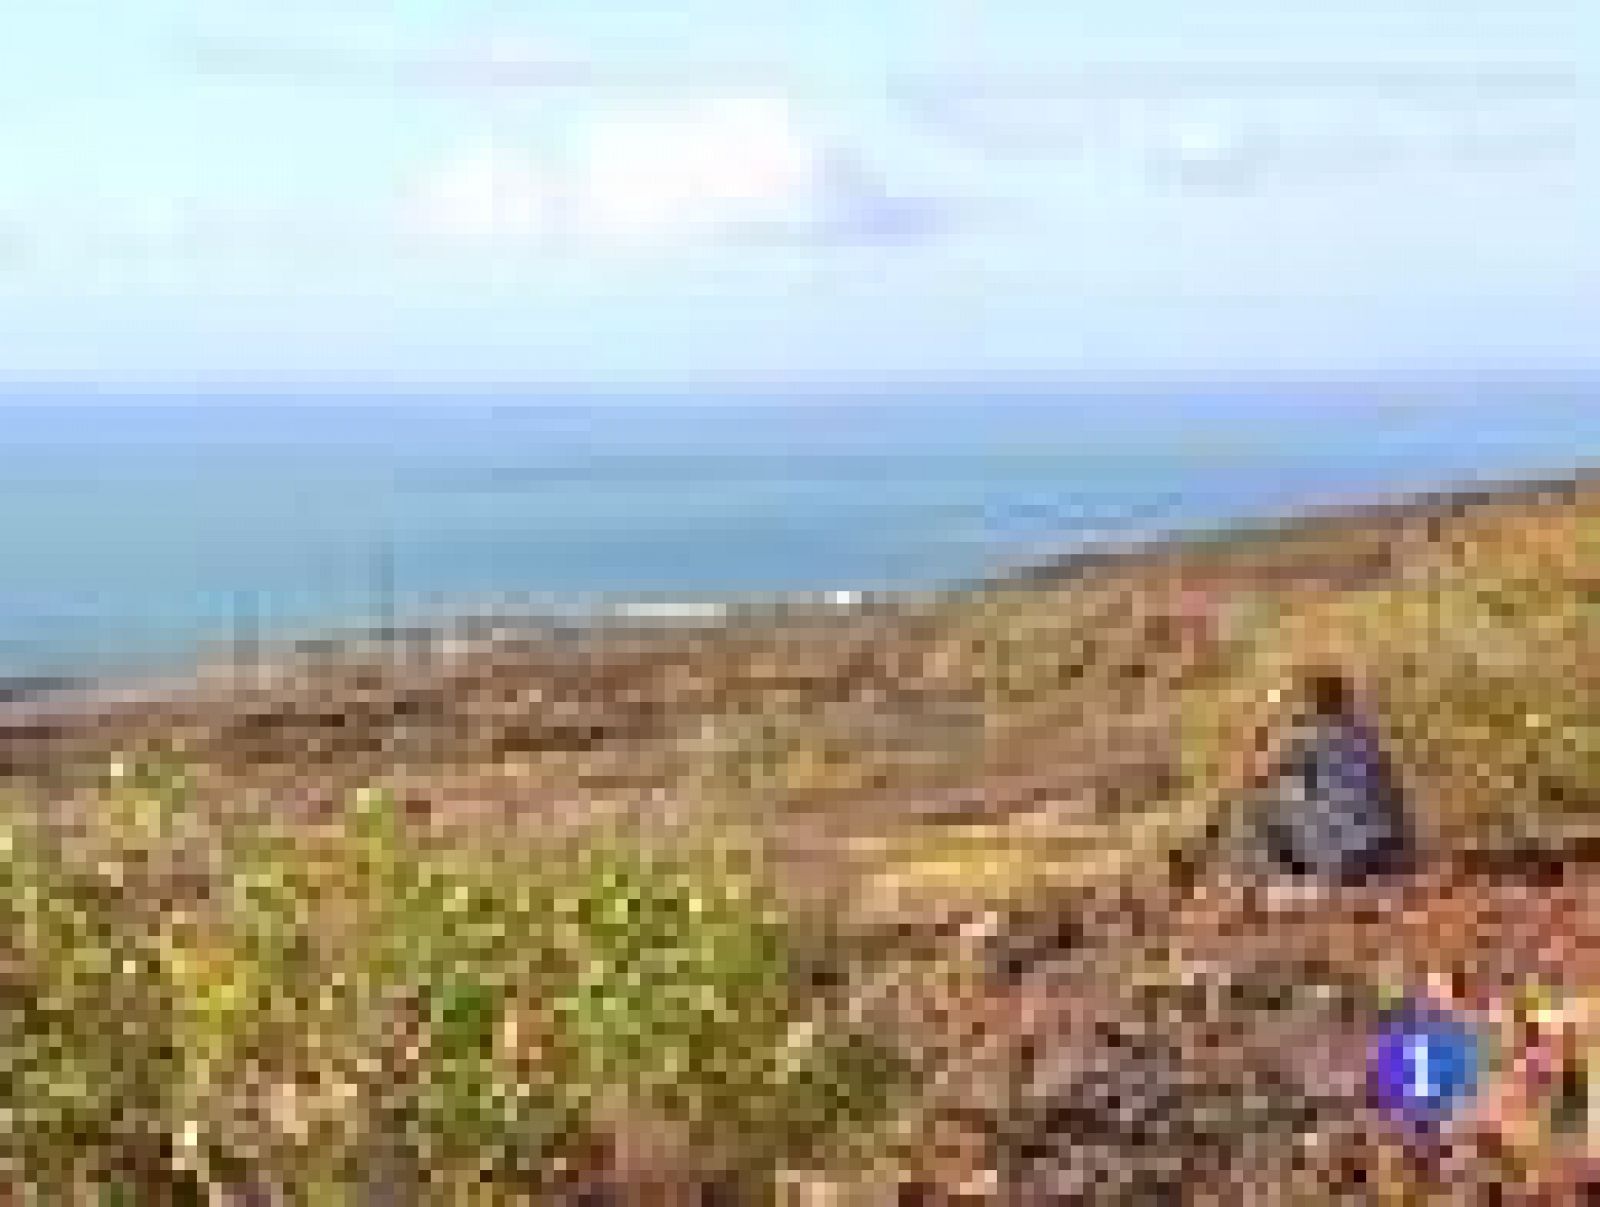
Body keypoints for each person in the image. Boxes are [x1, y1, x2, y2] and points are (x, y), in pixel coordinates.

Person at [1238, 665, 1417, 885]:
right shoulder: (1364, 734)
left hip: (1329, 857)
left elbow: (1261, 776)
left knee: (1269, 804)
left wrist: (1262, 731)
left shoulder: (1305, 738)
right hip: (1376, 848)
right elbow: (1390, 794)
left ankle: (1280, 869)